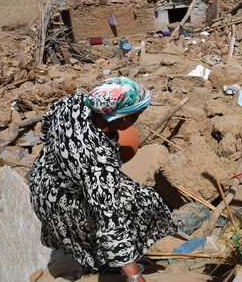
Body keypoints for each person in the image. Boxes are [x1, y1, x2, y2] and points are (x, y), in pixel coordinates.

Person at [29, 77, 176, 281]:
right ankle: (107, 265)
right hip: (59, 204)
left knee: (113, 194)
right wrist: (135, 277)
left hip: (42, 181)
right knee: (143, 201)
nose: (138, 119)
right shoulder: (98, 164)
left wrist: (64, 158)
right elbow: (110, 223)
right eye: (137, 115)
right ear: (123, 120)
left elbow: (46, 128)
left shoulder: (74, 102)